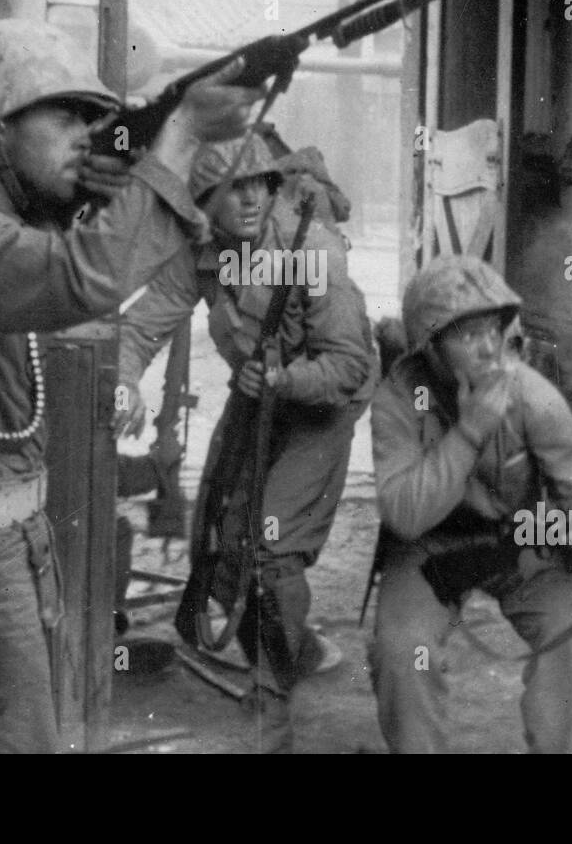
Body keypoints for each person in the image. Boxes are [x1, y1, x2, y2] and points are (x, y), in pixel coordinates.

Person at [0, 18, 260, 753]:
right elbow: (87, 276)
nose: (88, 134)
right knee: (6, 741)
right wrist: (183, 135)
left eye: (93, 118)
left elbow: (73, 265)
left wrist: (101, 196)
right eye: (65, 115)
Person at [112, 131, 378, 752]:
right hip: (259, 395)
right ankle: (294, 642)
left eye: (261, 183)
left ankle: (271, 699)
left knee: (270, 544)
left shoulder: (312, 251)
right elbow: (141, 327)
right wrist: (125, 384)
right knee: (217, 535)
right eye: (235, 188)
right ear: (206, 199)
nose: (251, 198)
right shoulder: (202, 254)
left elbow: (350, 367)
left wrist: (285, 379)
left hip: (320, 406)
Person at [368, 254, 572, 753]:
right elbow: (404, 513)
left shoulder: (529, 392)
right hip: (427, 548)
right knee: (403, 651)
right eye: (465, 335)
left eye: (492, 330)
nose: (486, 348)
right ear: (431, 346)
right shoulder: (398, 401)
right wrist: (472, 429)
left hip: (517, 538)